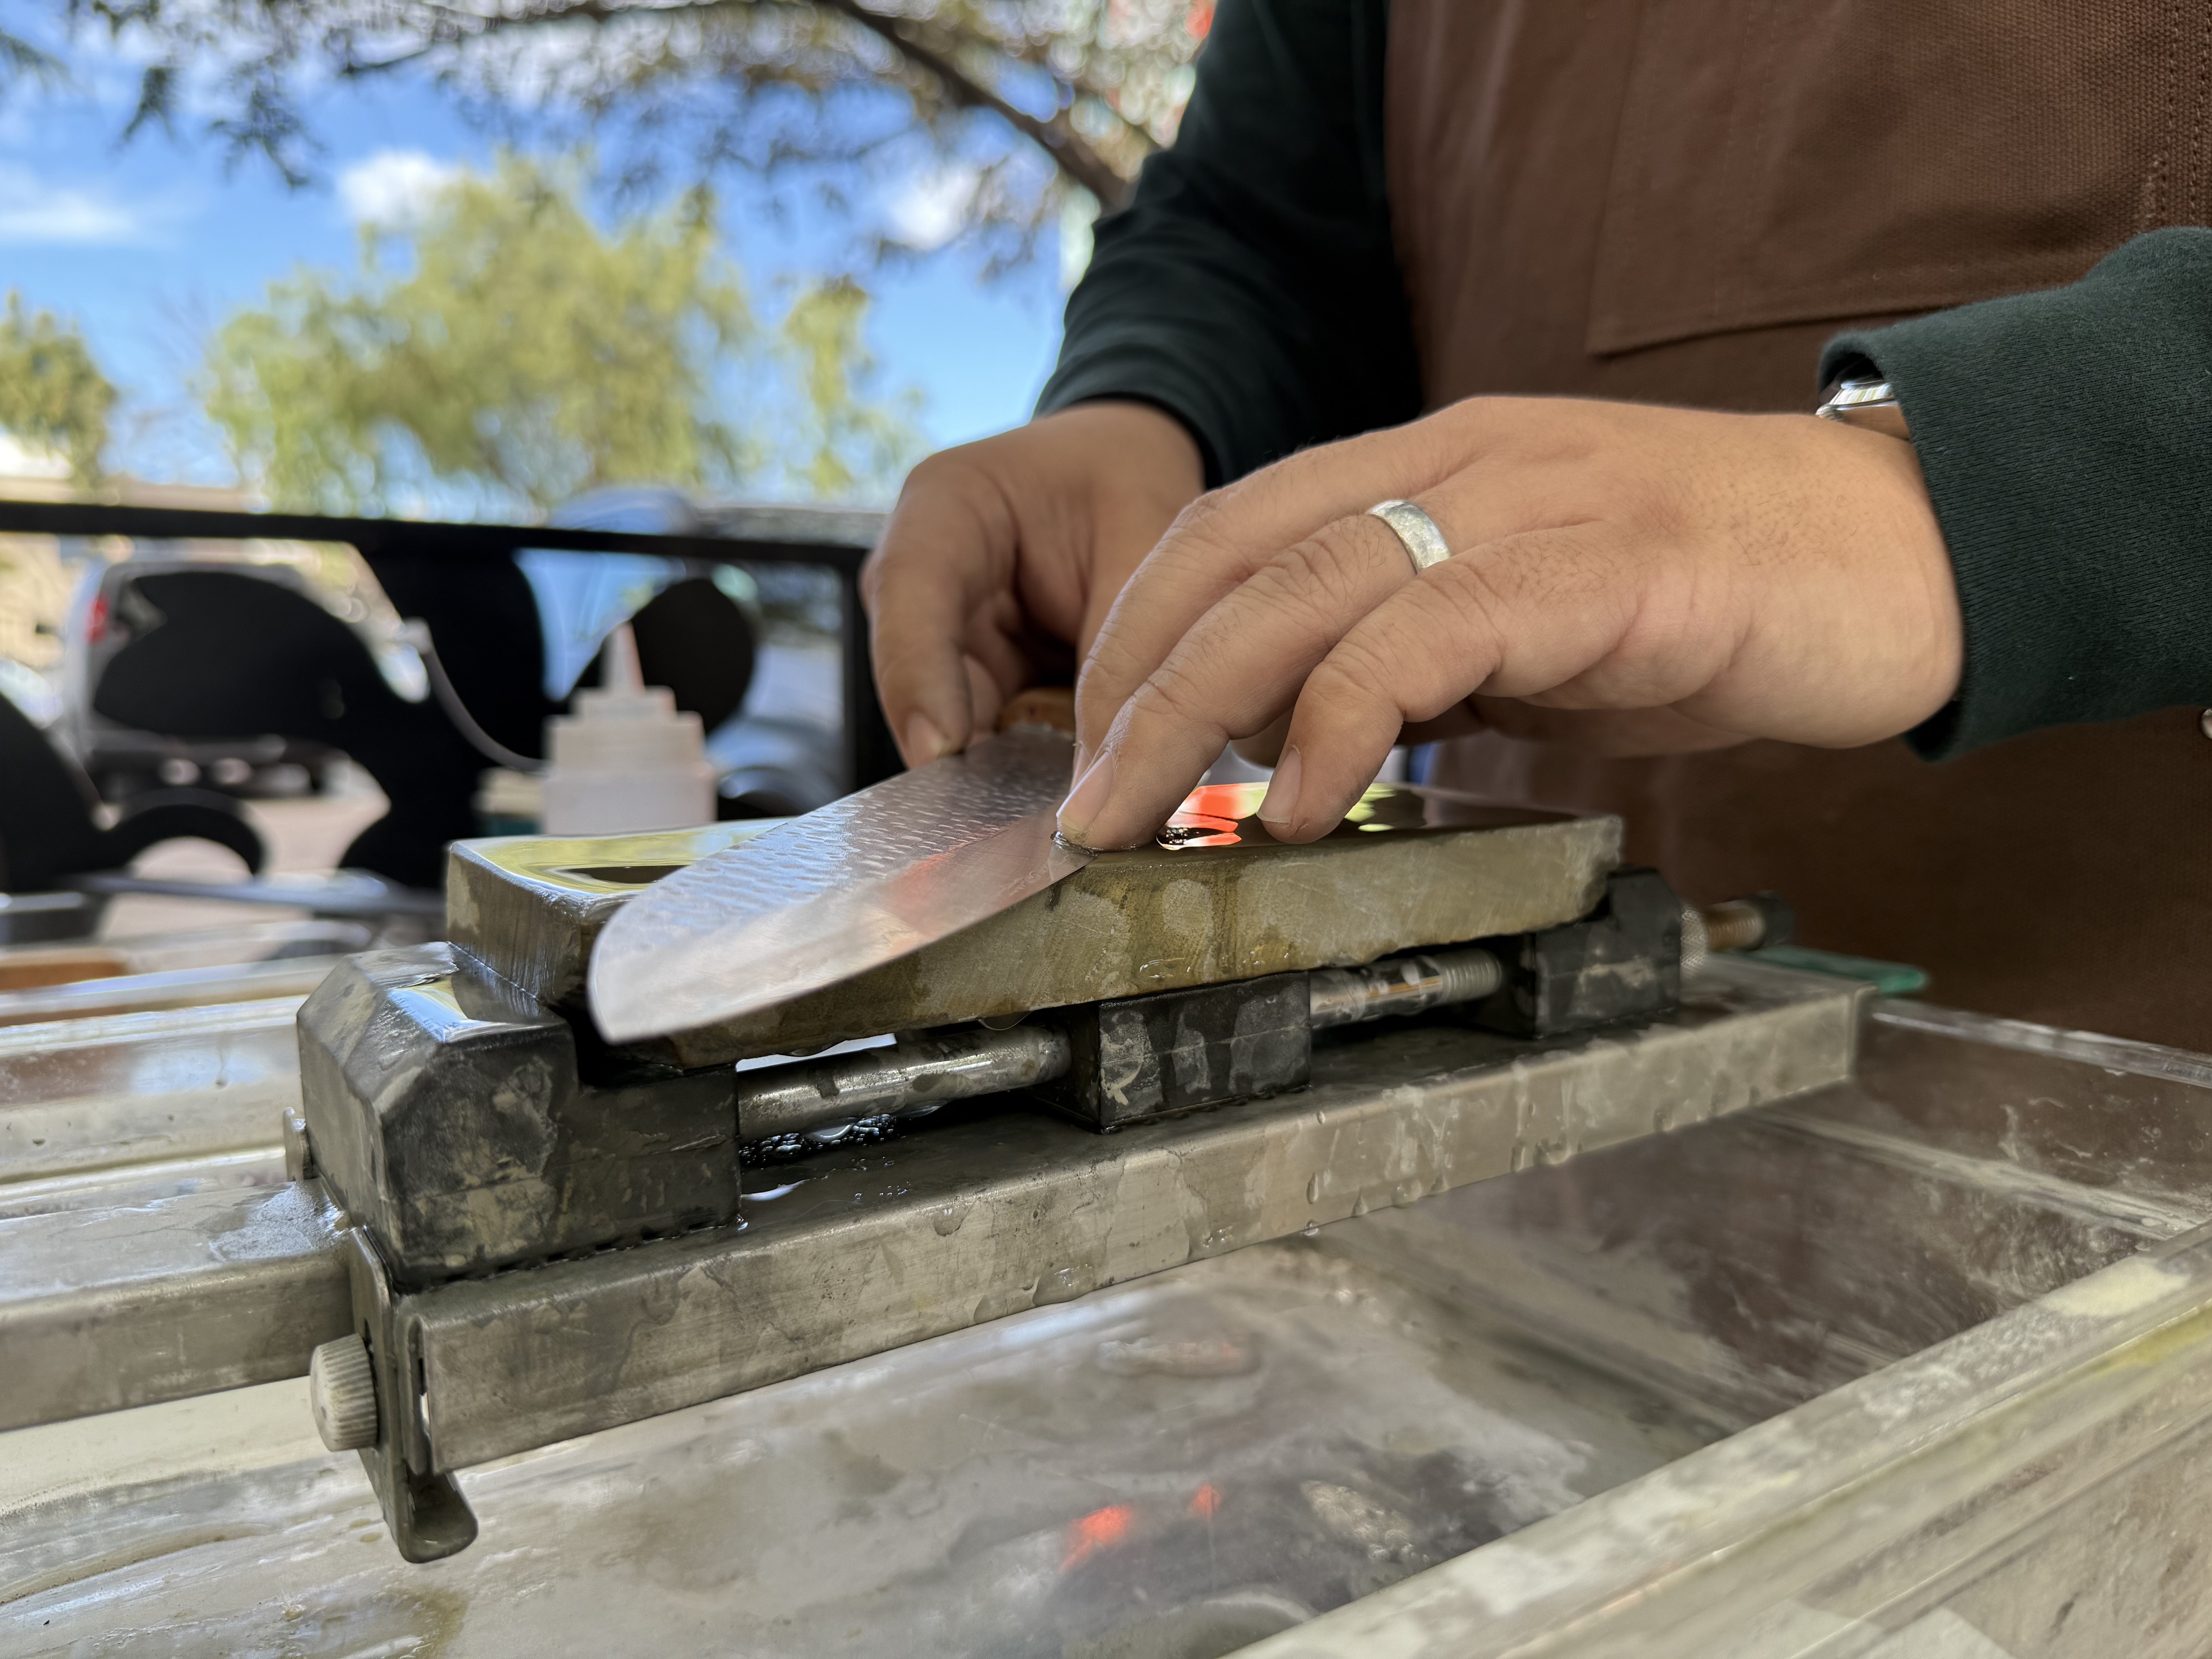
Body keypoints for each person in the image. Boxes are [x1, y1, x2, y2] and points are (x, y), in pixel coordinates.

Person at [862, 1, 2212, 1048]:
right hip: (1490, 1093)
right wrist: (1150, 409)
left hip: (2139, 1142)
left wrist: (1997, 484)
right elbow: (1259, 224)